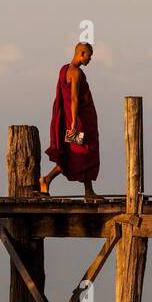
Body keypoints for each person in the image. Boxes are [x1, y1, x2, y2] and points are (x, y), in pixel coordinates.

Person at [41, 41, 100, 199]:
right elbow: (73, 98)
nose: (90, 59)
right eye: (89, 56)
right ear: (81, 54)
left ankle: (46, 180)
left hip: (72, 120)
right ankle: (88, 192)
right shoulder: (76, 73)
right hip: (79, 122)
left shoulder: (64, 69)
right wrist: (74, 122)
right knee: (87, 151)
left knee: (71, 154)